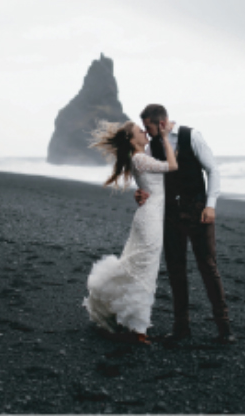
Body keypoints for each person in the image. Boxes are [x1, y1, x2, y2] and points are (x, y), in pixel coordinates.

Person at [136, 104, 235, 343]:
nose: (146, 132)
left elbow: (212, 170)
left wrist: (211, 205)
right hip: (169, 214)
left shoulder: (192, 136)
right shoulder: (153, 146)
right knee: (175, 269)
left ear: (160, 123)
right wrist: (140, 193)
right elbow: (149, 179)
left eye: (148, 127)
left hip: (198, 211)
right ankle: (181, 328)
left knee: (208, 267)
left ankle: (224, 329)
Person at [82, 120, 178, 344]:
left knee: (140, 268)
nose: (144, 132)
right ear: (131, 140)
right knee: (144, 271)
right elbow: (172, 167)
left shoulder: (141, 157)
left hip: (150, 216)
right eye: (139, 131)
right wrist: (164, 136)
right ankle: (138, 329)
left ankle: (132, 322)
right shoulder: (139, 157)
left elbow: (153, 183)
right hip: (150, 220)